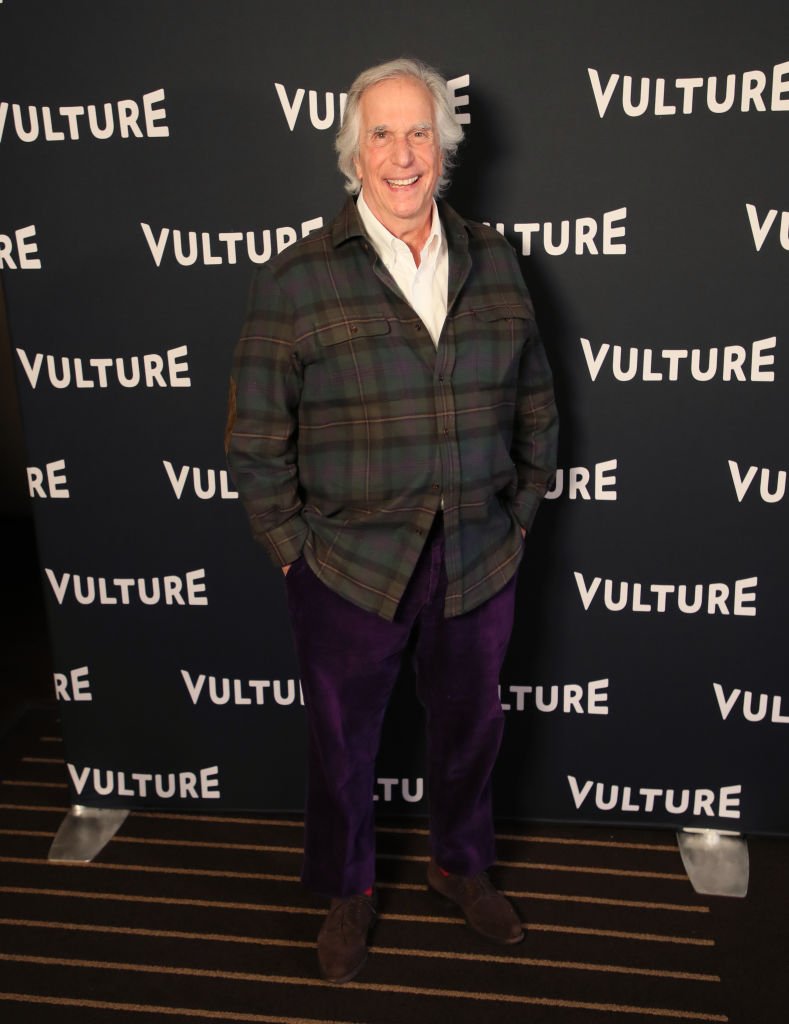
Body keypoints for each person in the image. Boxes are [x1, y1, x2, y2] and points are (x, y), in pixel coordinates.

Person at [226, 57, 558, 984]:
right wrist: (293, 555)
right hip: (346, 567)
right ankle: (347, 891)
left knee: (471, 733)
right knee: (342, 748)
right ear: (352, 153)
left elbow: (536, 402)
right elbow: (255, 438)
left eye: (419, 132)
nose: (401, 154)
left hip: (481, 556)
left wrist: (521, 516)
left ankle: (460, 864)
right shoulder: (294, 278)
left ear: (444, 148)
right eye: (381, 133)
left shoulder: (493, 258)